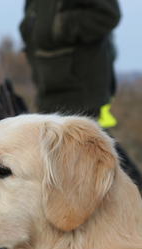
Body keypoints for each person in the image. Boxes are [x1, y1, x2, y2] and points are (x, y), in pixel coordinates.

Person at [15, 0, 142, 190]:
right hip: (49, 86)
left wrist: (59, 26)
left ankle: (134, 199)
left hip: (79, 87)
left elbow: (108, 14)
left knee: (91, 155)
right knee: (69, 160)